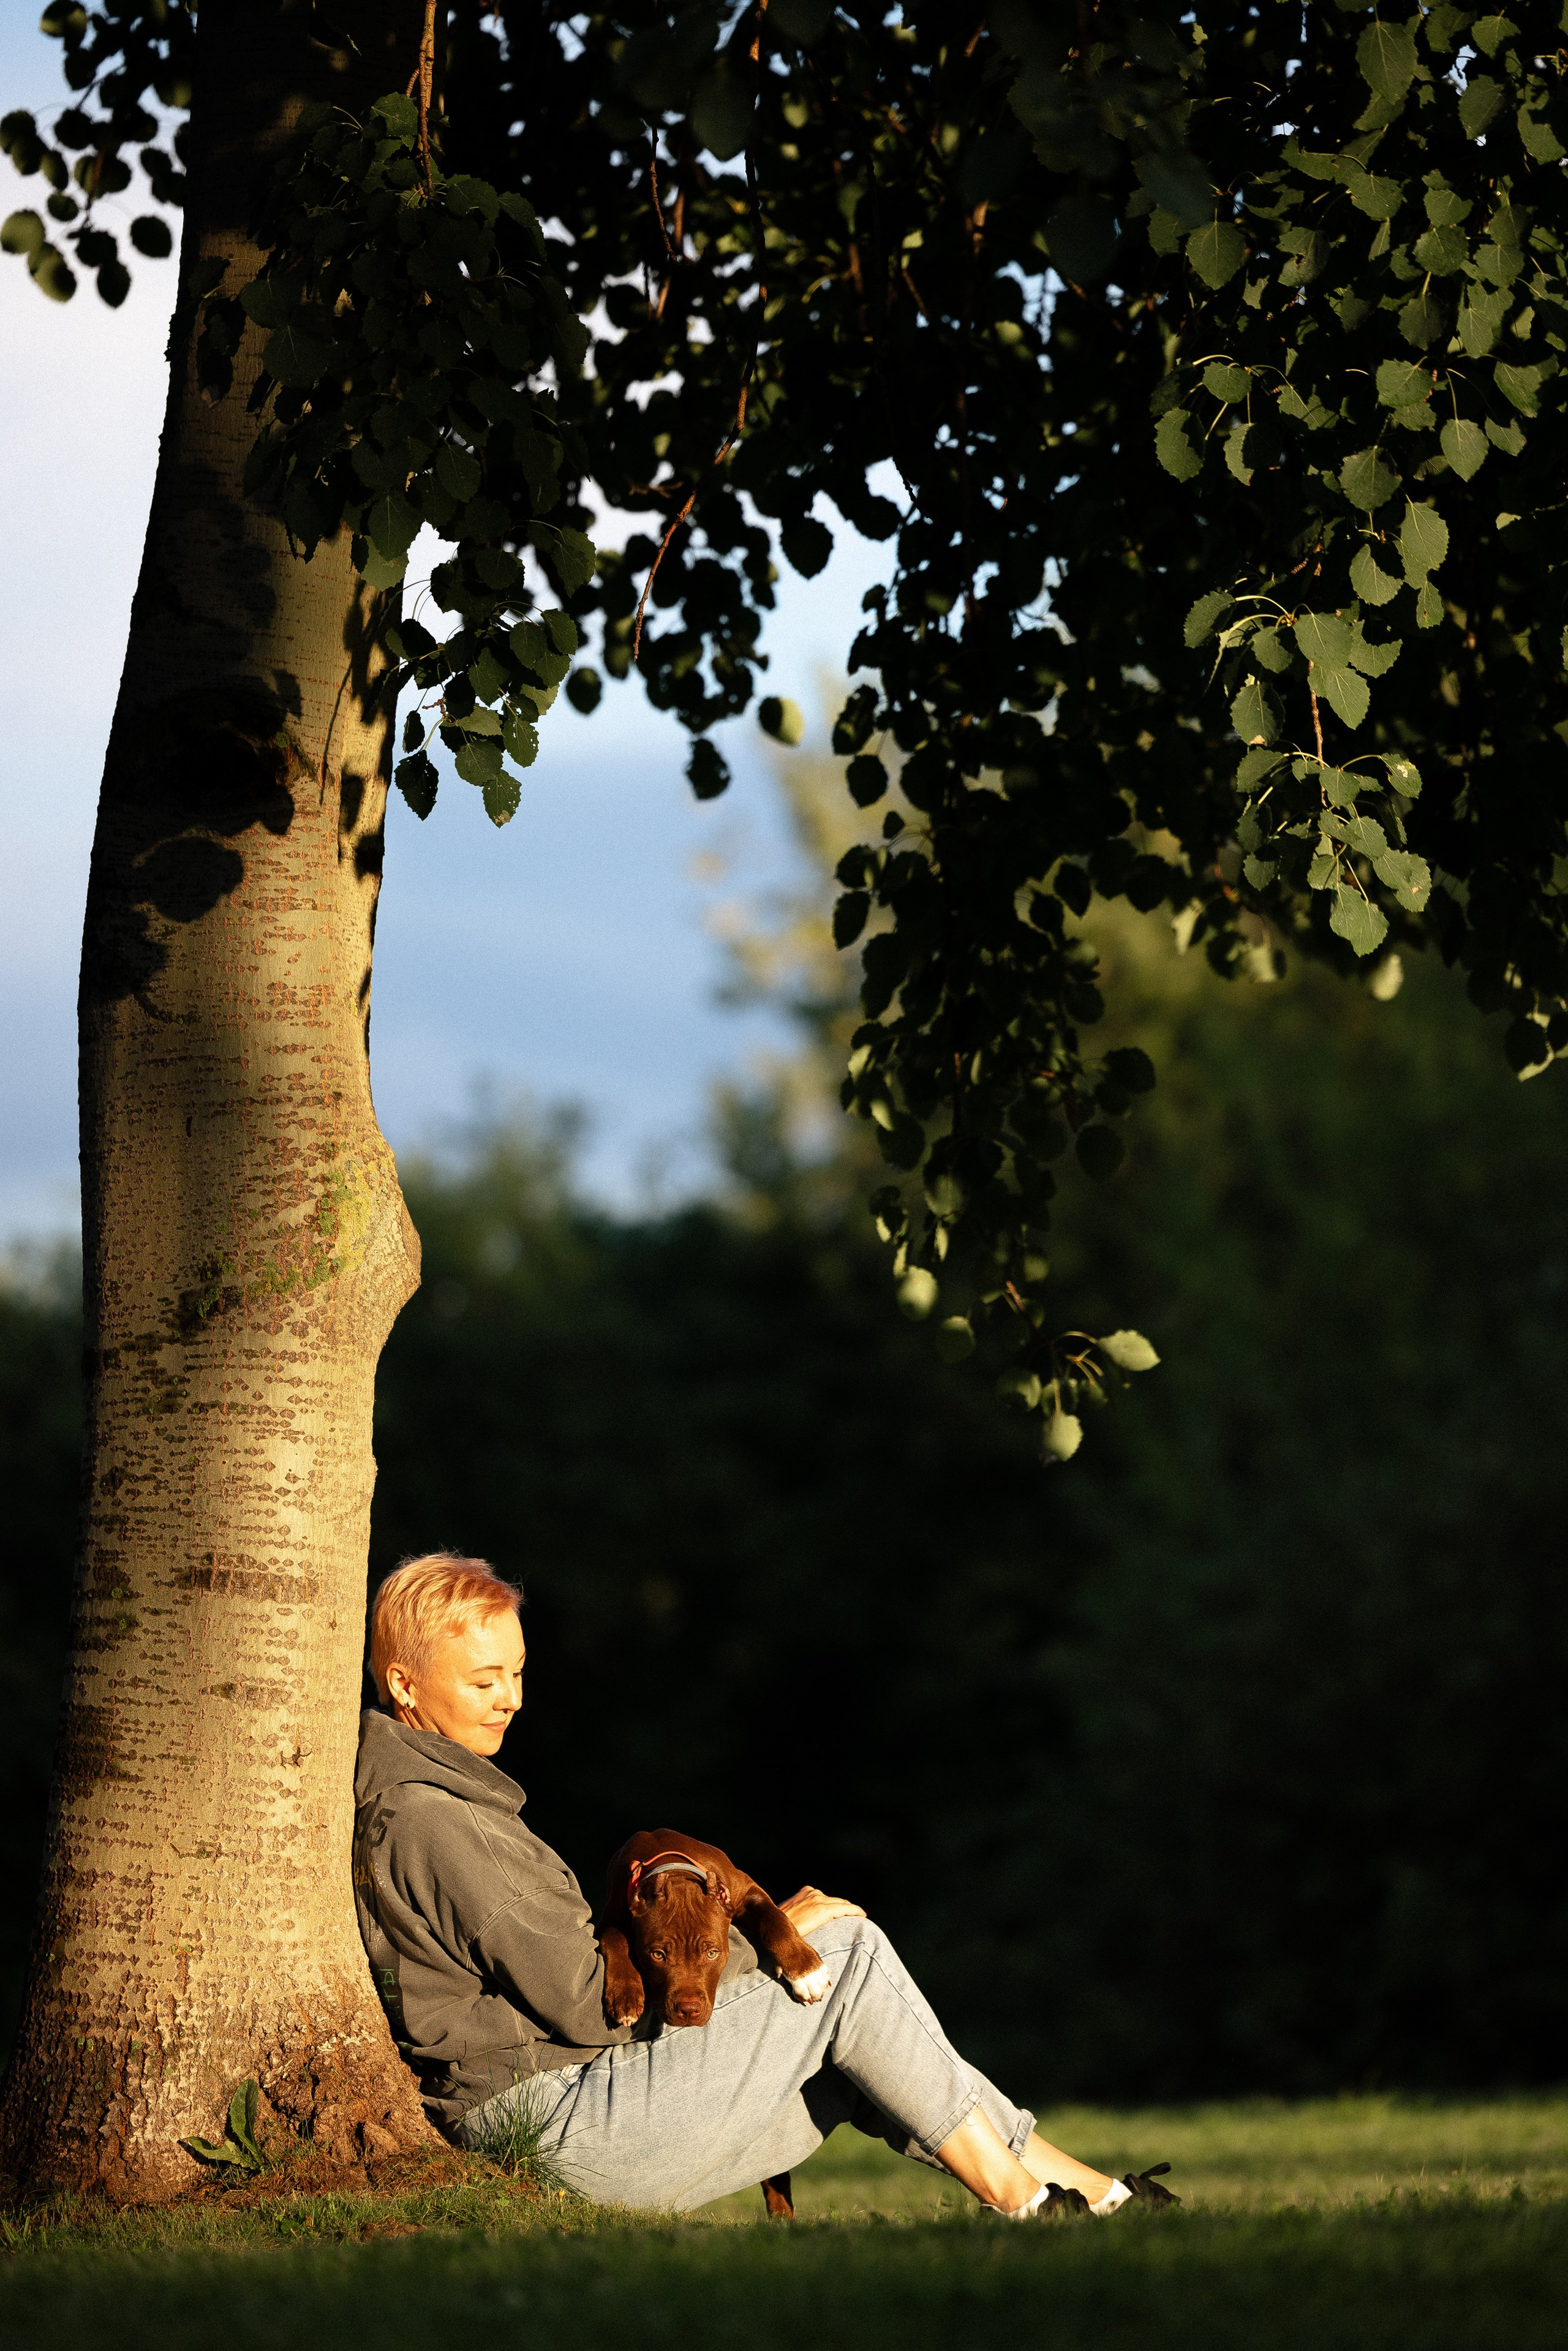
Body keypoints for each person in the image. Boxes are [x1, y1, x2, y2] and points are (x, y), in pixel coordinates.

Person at [354, 1550, 1172, 2217]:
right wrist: (773, 1936)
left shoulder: (431, 1803)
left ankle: (1099, 2198)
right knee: (844, 1956)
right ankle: (1027, 2205)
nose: (512, 1699)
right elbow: (584, 1998)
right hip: (555, 2124)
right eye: (484, 1681)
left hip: (556, 2110)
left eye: (518, 1673)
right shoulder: (438, 1821)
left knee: (861, 2036)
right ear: (404, 1684)